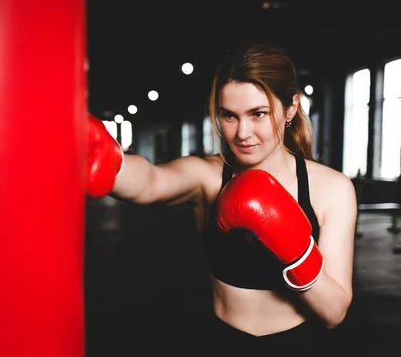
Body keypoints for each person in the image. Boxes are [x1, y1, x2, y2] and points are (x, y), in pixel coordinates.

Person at [86, 41, 357, 355]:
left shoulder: (332, 188)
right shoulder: (209, 177)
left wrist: (297, 252)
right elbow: (151, 181)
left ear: (291, 108)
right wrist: (110, 161)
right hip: (221, 343)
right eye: (230, 116)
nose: (242, 132)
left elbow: (334, 313)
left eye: (258, 114)